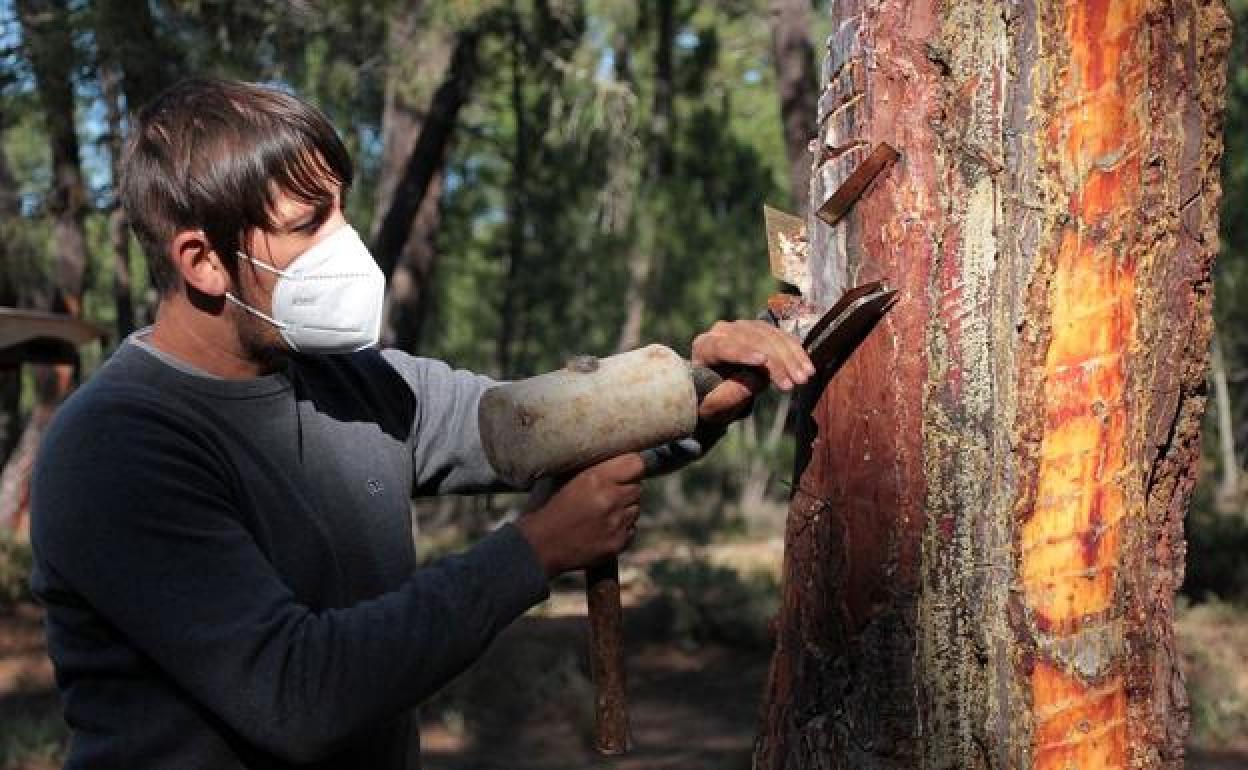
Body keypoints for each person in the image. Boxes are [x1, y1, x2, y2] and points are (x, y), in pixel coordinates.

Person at [30, 77, 815, 770]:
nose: (346, 243)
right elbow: (296, 694)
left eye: (342, 210)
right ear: (202, 261)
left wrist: (696, 385)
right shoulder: (118, 447)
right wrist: (535, 552)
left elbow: (529, 420)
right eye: (309, 223)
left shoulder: (354, 382)